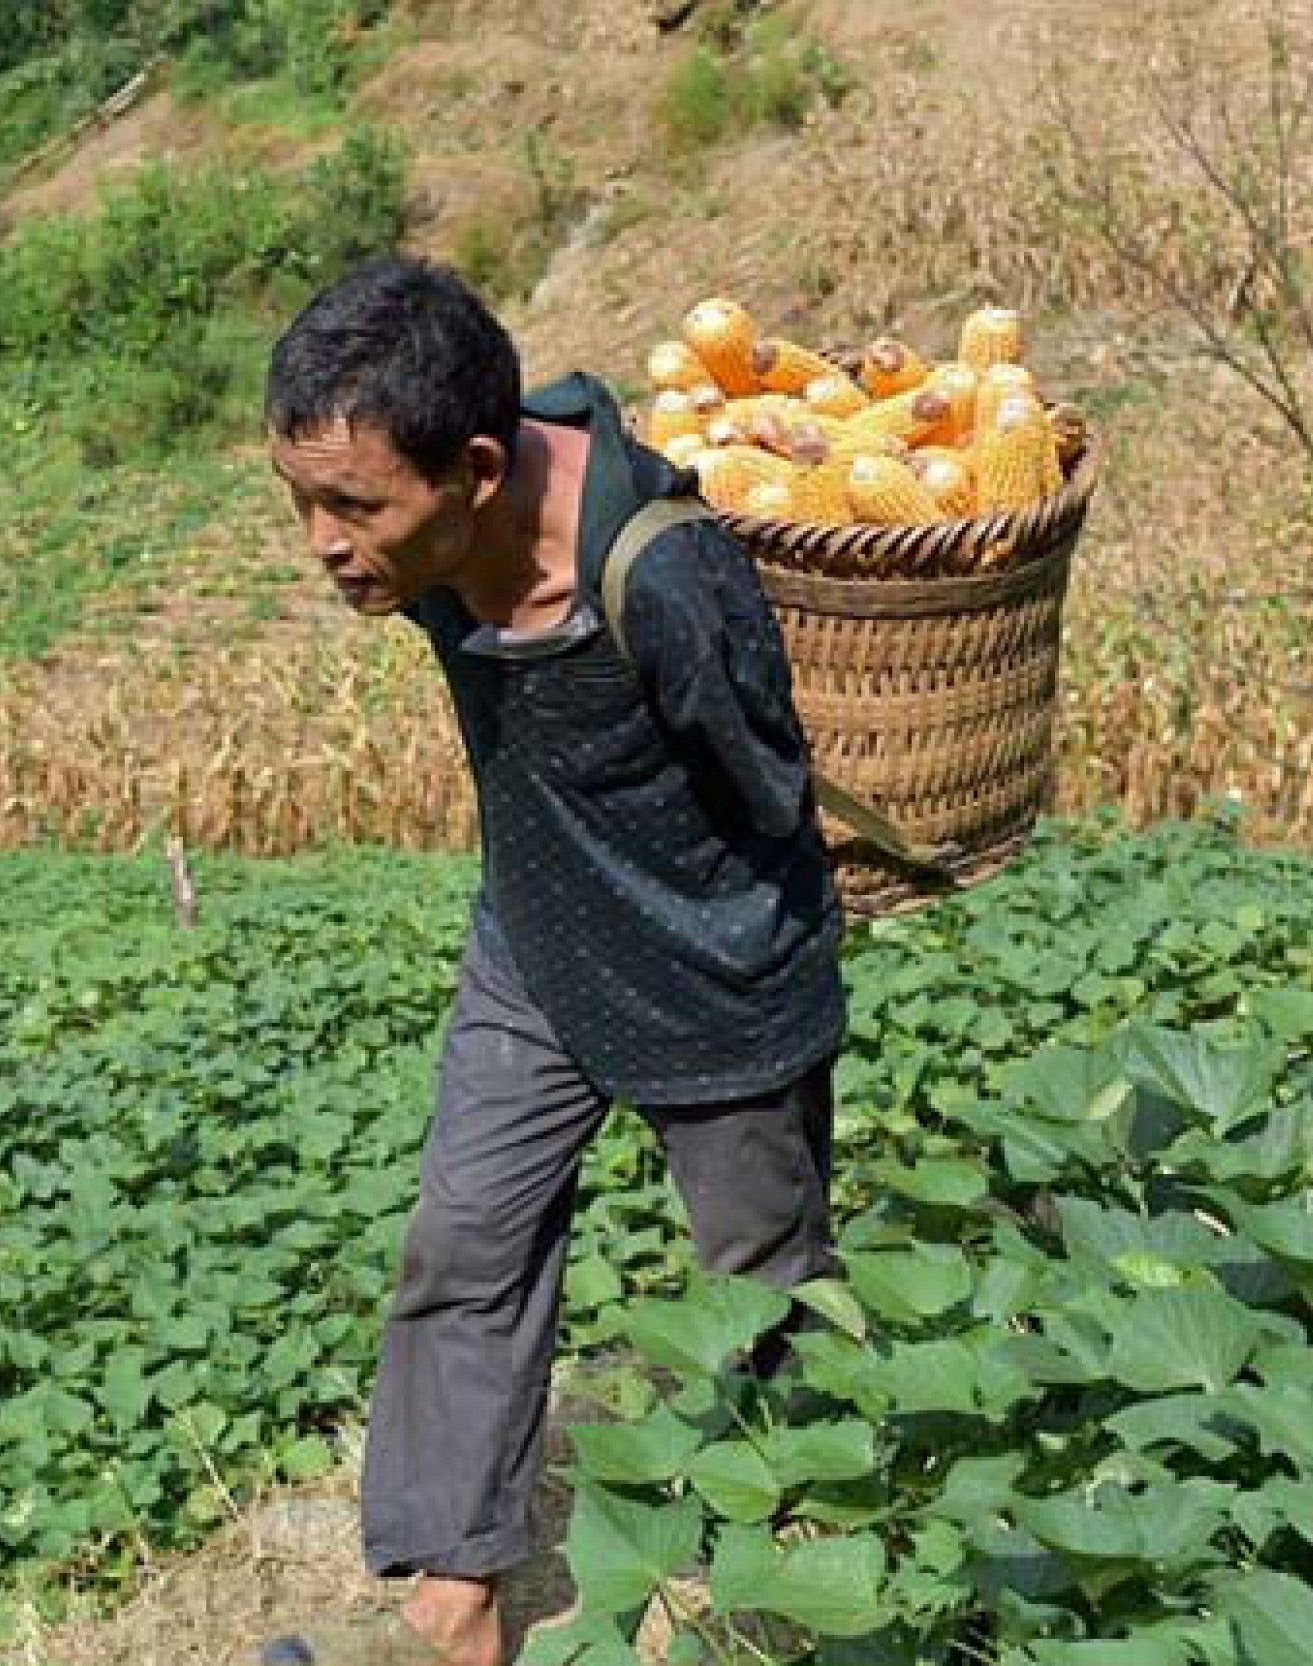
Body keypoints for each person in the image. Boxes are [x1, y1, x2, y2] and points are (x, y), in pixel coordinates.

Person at [257, 255, 846, 1666]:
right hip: (534, 935)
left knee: (763, 1282)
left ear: (472, 469)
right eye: (302, 502)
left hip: (710, 962)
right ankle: (454, 1592)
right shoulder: (421, 547)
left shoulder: (665, 573)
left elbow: (772, 791)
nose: (325, 543)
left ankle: (817, 1560)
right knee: (465, 1242)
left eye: (354, 506)